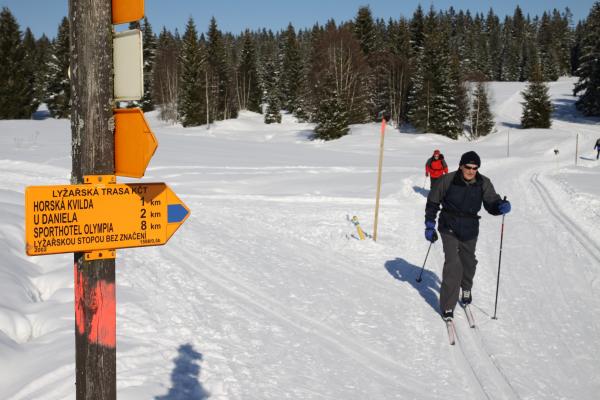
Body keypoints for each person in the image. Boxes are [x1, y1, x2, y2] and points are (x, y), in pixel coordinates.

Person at [424, 151, 511, 321]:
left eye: (475, 168)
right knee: (453, 264)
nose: (471, 171)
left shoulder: (483, 182)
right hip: (448, 225)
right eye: (468, 167)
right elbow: (433, 202)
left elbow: (491, 202)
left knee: (468, 262)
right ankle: (448, 306)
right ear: (461, 166)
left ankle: (466, 287)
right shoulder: (447, 180)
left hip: (470, 228)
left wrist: (500, 206)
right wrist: (429, 224)